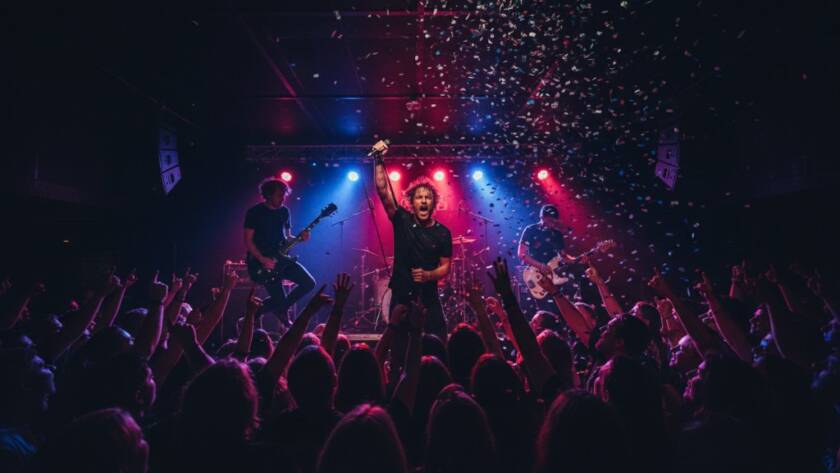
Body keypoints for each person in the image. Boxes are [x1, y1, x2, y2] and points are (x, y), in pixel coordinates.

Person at [371, 140, 452, 340]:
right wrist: (378, 159)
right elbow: (383, 191)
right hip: (401, 293)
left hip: (429, 296)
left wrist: (428, 275)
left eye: (427, 197)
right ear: (411, 202)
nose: (423, 201)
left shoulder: (443, 232)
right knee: (399, 343)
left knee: (438, 341)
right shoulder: (402, 220)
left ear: (434, 202)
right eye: (419, 197)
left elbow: (445, 267)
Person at [244, 177, 316, 326]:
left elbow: (288, 237)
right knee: (279, 300)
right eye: (279, 195)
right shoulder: (254, 212)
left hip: (282, 258)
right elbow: (248, 241)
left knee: (309, 283)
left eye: (284, 195)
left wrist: (301, 238)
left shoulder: (284, 211)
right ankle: (268, 311)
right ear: (268, 195)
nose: (283, 198)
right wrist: (263, 259)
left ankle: (272, 310)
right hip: (262, 263)